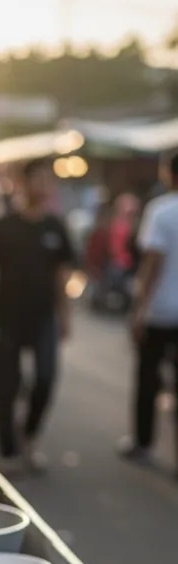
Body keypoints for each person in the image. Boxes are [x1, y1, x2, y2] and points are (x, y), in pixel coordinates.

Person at [0, 158, 76, 472]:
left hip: (43, 317)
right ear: (23, 183)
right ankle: (7, 449)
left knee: (46, 377)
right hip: (7, 317)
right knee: (4, 385)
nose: (44, 186)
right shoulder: (3, 226)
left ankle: (30, 435)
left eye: (50, 180)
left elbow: (61, 276)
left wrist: (65, 315)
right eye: (39, 179)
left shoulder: (55, 227)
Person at [121, 152, 178, 466]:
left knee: (148, 380)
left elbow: (152, 263)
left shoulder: (161, 211)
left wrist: (138, 310)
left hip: (161, 312)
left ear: (169, 174)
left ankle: (142, 442)